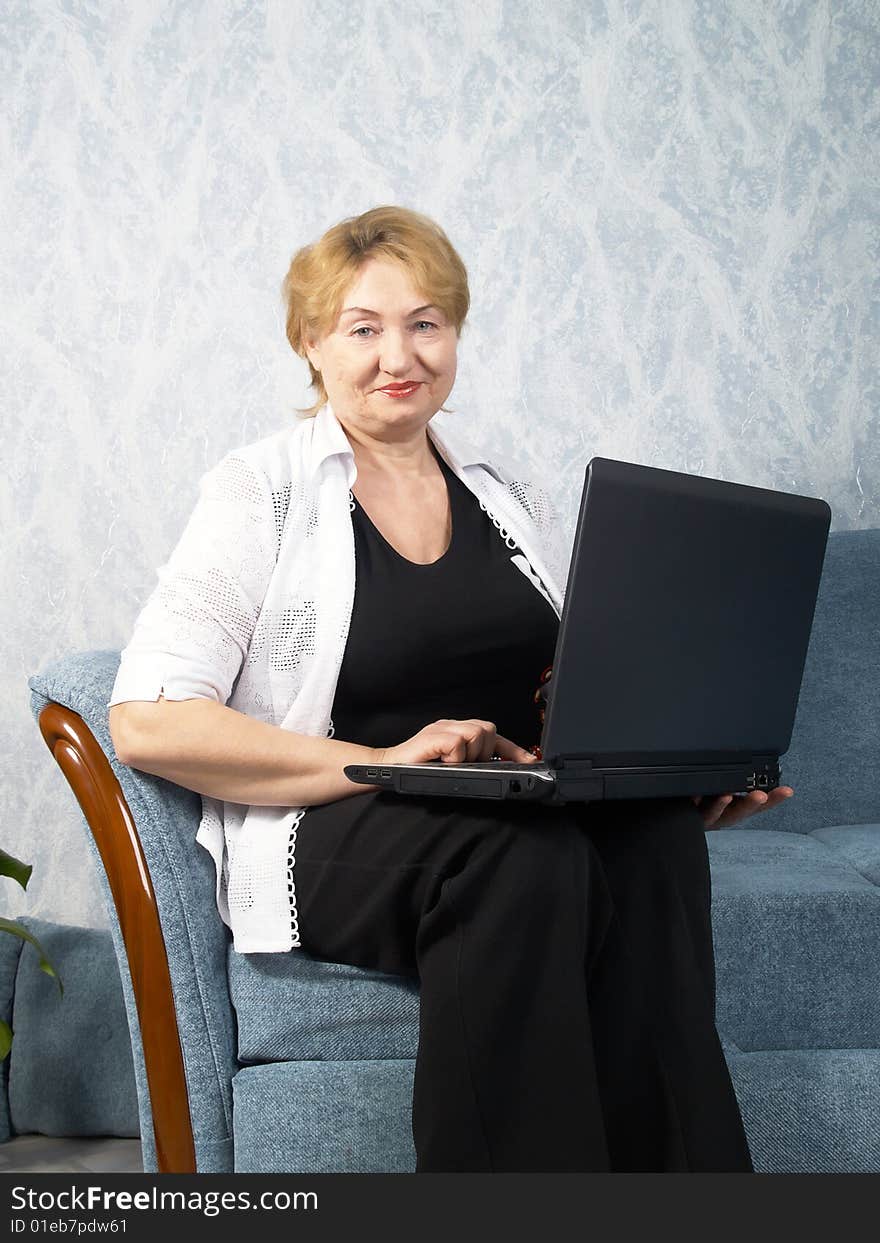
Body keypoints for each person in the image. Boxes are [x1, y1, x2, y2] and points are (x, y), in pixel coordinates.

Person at [108, 204, 793, 1173]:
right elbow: (145, 722)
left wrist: (661, 768)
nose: (401, 354)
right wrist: (382, 759)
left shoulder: (500, 490)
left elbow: (558, 703)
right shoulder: (259, 490)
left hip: (508, 802)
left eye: (426, 323)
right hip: (336, 815)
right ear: (310, 342)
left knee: (653, 840)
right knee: (516, 866)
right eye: (363, 327)